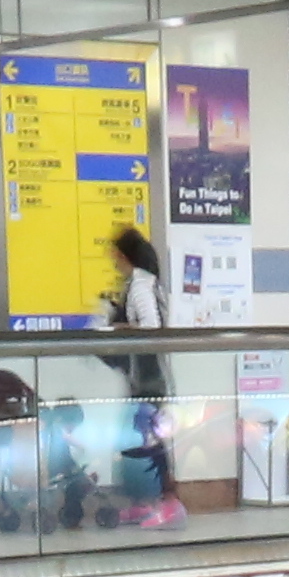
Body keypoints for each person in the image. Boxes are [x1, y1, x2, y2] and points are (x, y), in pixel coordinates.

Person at [91, 220, 180, 526]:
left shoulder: (142, 285)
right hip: (141, 376)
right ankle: (145, 501)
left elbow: (152, 329)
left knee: (153, 438)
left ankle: (169, 503)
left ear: (124, 256)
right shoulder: (138, 283)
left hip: (150, 376)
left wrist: (118, 328)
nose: (113, 262)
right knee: (141, 437)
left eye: (115, 255)